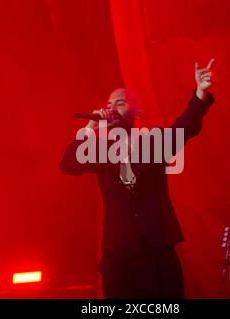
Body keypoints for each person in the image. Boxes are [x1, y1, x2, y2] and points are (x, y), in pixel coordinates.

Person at [60, 59, 215, 298]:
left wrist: (200, 92)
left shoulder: (154, 143)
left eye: (120, 103)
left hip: (157, 251)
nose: (111, 108)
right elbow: (69, 164)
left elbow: (185, 126)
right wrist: (91, 126)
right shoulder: (101, 150)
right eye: (109, 104)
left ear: (137, 111)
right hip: (118, 253)